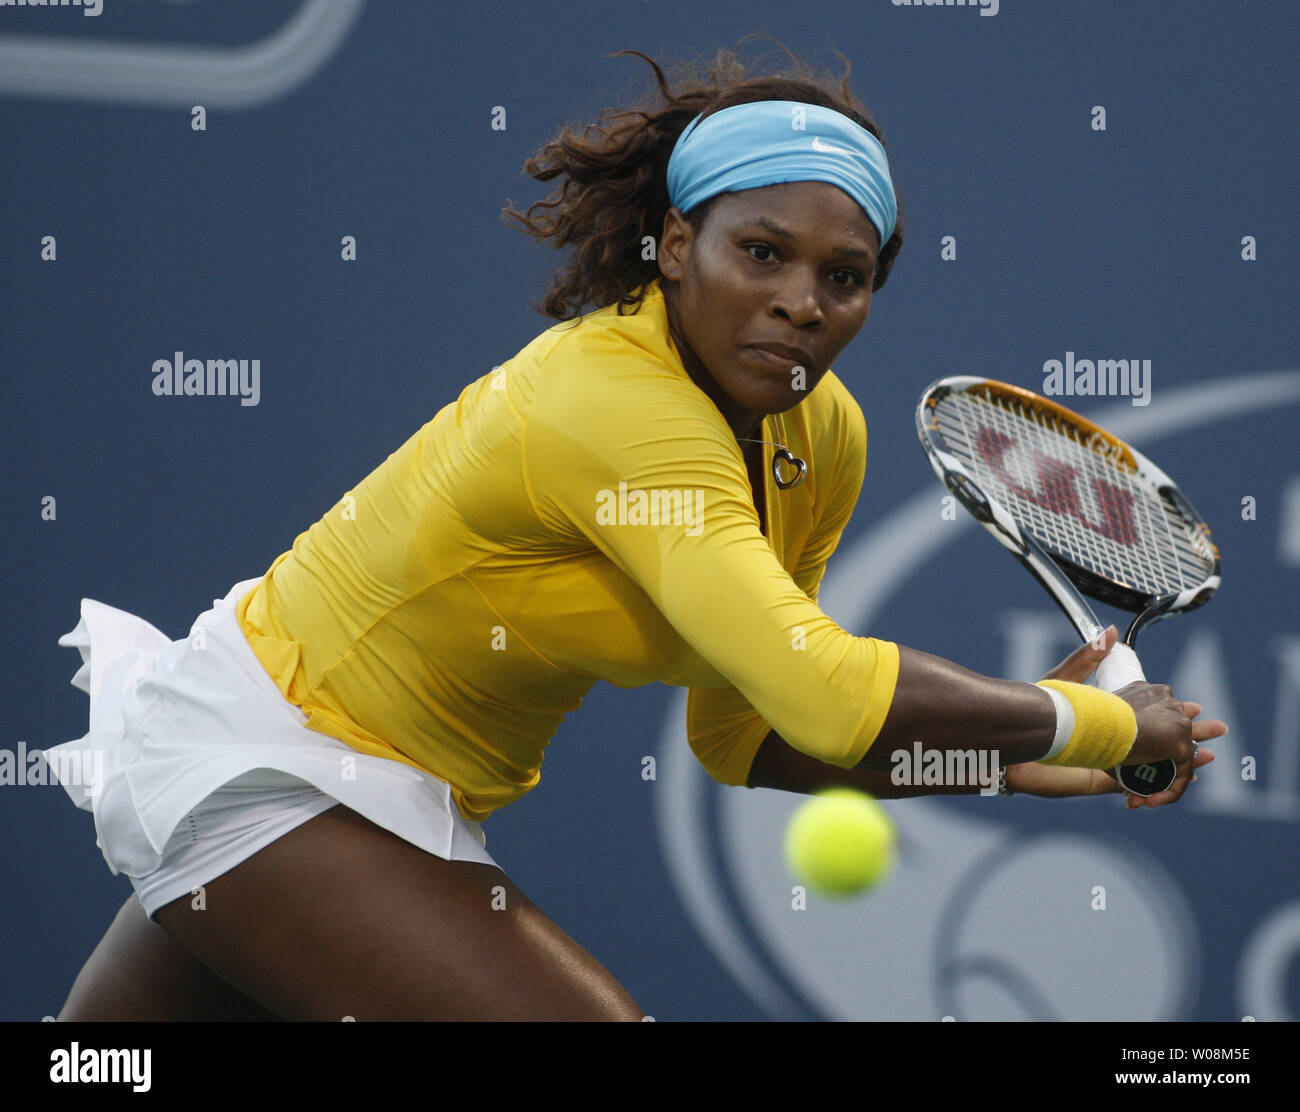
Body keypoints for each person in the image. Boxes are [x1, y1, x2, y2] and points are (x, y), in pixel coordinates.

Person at [47, 42, 1223, 1022]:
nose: (802, 301)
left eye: (844, 275)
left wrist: (1014, 756)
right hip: (268, 762)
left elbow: (749, 733)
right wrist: (1098, 717)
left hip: (365, 796)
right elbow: (822, 689)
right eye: (761, 251)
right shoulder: (614, 405)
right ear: (673, 247)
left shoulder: (823, 439)